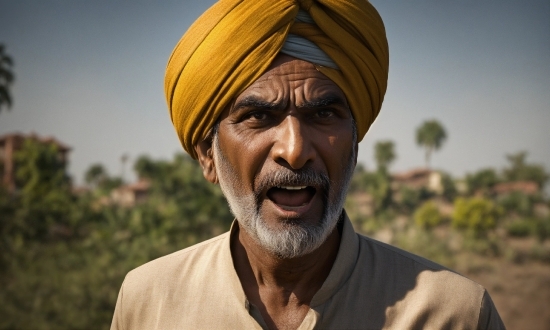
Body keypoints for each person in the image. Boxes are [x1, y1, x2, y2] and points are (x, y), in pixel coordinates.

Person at [111, 0, 505, 329]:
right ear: (207, 155)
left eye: (323, 114)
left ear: (354, 143)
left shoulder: (456, 314)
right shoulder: (149, 301)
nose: (295, 150)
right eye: (258, 117)